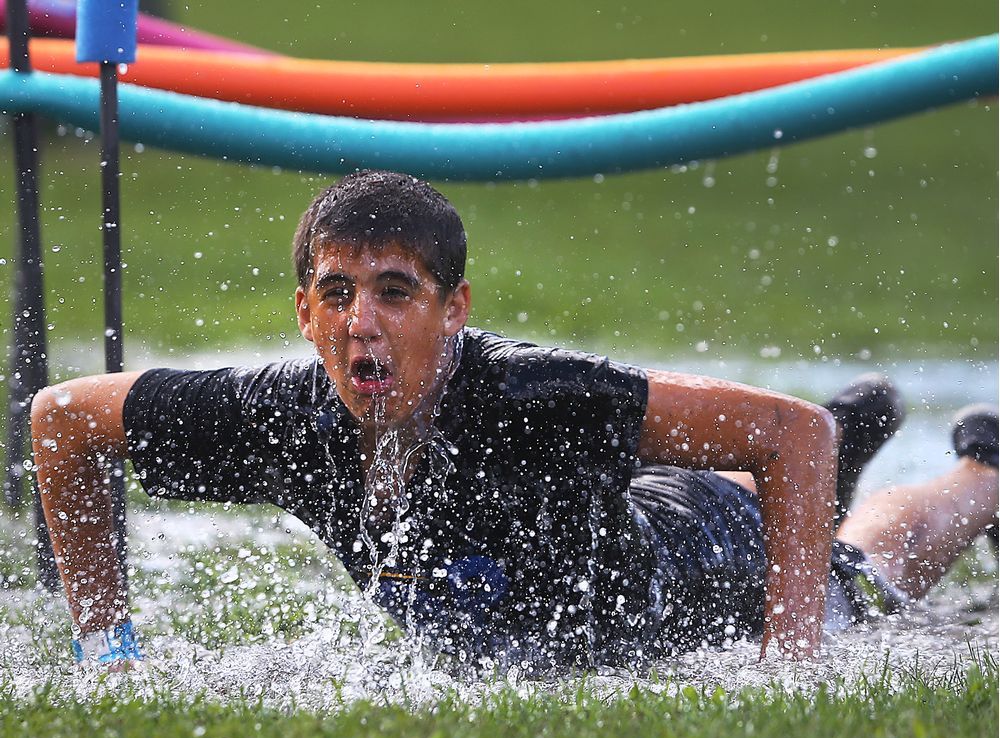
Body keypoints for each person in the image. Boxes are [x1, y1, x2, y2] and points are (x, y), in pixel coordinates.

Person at [30, 171, 998, 671]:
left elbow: (793, 438)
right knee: (785, 482)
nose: (360, 323)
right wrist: (109, 657)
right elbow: (63, 420)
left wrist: (793, 663)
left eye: (395, 293)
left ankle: (979, 474)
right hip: (636, 503)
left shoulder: (533, 395)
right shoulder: (273, 417)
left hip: (704, 561)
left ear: (454, 309)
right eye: (336, 293)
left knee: (863, 577)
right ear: (303, 313)